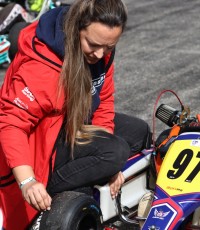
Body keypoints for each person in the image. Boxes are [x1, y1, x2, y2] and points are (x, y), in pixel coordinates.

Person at [0, 0, 151, 229]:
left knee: (139, 133)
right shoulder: (40, 67)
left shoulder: (100, 50)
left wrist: (107, 159)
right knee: (116, 151)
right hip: (39, 146)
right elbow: (11, 124)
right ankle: (54, 189)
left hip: (72, 122)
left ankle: (90, 170)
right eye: (93, 44)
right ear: (76, 28)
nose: (101, 54)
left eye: (109, 47)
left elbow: (104, 100)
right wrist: (28, 181)